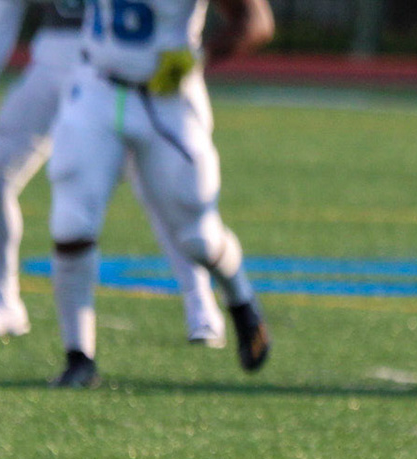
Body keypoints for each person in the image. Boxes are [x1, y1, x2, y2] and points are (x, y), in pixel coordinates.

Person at [0, 0, 225, 347]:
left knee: (157, 192)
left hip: (112, 74)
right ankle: (2, 301)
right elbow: (3, 16)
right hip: (51, 64)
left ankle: (201, 305)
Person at [44, 0, 274, 387]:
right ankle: (79, 357)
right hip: (97, 86)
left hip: (169, 97)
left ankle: (241, 300)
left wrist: (198, 58)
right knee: (71, 223)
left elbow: (256, 21)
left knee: (198, 238)